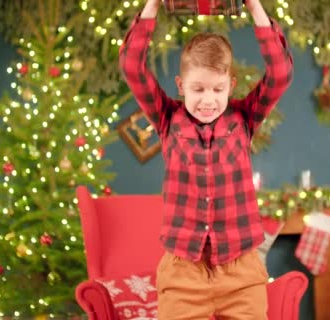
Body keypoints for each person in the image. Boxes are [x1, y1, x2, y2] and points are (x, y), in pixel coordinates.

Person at [119, 0, 293, 318]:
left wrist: (255, 8)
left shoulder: (245, 118)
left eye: (218, 89)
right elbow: (132, 67)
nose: (208, 100)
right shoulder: (166, 118)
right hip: (183, 271)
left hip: (241, 271)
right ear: (181, 86)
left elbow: (279, 75)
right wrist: (152, 6)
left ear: (231, 86)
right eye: (198, 89)